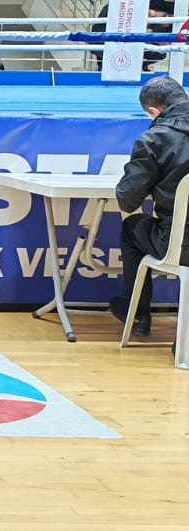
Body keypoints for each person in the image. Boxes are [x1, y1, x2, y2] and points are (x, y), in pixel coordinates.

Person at [110, 76, 189, 338]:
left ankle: (139, 314)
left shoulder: (155, 139)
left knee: (132, 227)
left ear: (154, 112)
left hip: (181, 245)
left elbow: (128, 198)